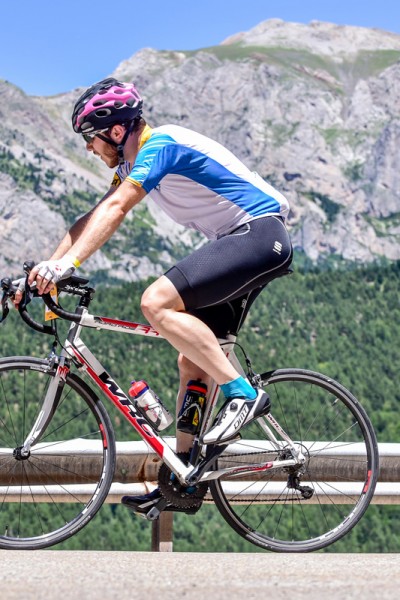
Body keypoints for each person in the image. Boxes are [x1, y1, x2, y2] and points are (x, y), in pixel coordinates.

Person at [17, 77, 293, 513]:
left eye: (91, 137)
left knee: (155, 302)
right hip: (240, 240)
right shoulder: (131, 164)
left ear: (116, 130)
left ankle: (243, 395)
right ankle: (183, 477)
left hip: (258, 234)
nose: (89, 148)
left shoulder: (161, 145)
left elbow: (117, 208)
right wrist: (42, 272)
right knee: (193, 360)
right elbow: (90, 218)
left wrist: (68, 265)